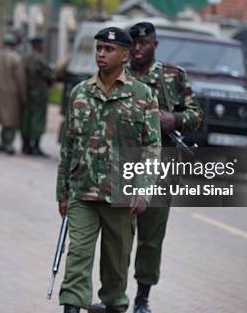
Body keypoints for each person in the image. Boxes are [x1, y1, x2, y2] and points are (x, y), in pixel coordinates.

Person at [91, 22, 204, 313]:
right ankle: (114, 298)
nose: (140, 49)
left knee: (151, 238)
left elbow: (196, 115)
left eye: (145, 43)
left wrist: (174, 120)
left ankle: (142, 298)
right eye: (135, 44)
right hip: (123, 163)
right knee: (118, 237)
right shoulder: (118, 74)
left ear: (155, 44)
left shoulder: (172, 77)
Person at [57, 26, 162, 313]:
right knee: (77, 257)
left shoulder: (143, 96)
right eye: (99, 48)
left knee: (116, 267)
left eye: (109, 49)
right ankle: (71, 307)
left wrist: (143, 191)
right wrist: (62, 193)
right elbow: (67, 146)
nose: (101, 54)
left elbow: (152, 148)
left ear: (125, 55)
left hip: (121, 195)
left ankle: (115, 305)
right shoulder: (80, 93)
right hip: (83, 192)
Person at [0, 33, 26, 155]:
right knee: (9, 120)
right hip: (11, 94)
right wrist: (23, 96)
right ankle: (8, 144)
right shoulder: (16, 58)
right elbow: (20, 79)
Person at [20, 37, 54, 155]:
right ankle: (35, 146)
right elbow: (49, 76)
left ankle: (25, 145)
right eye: (41, 44)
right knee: (37, 121)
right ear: (38, 45)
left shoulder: (26, 59)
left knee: (26, 120)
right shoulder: (40, 60)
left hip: (27, 94)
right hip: (39, 94)